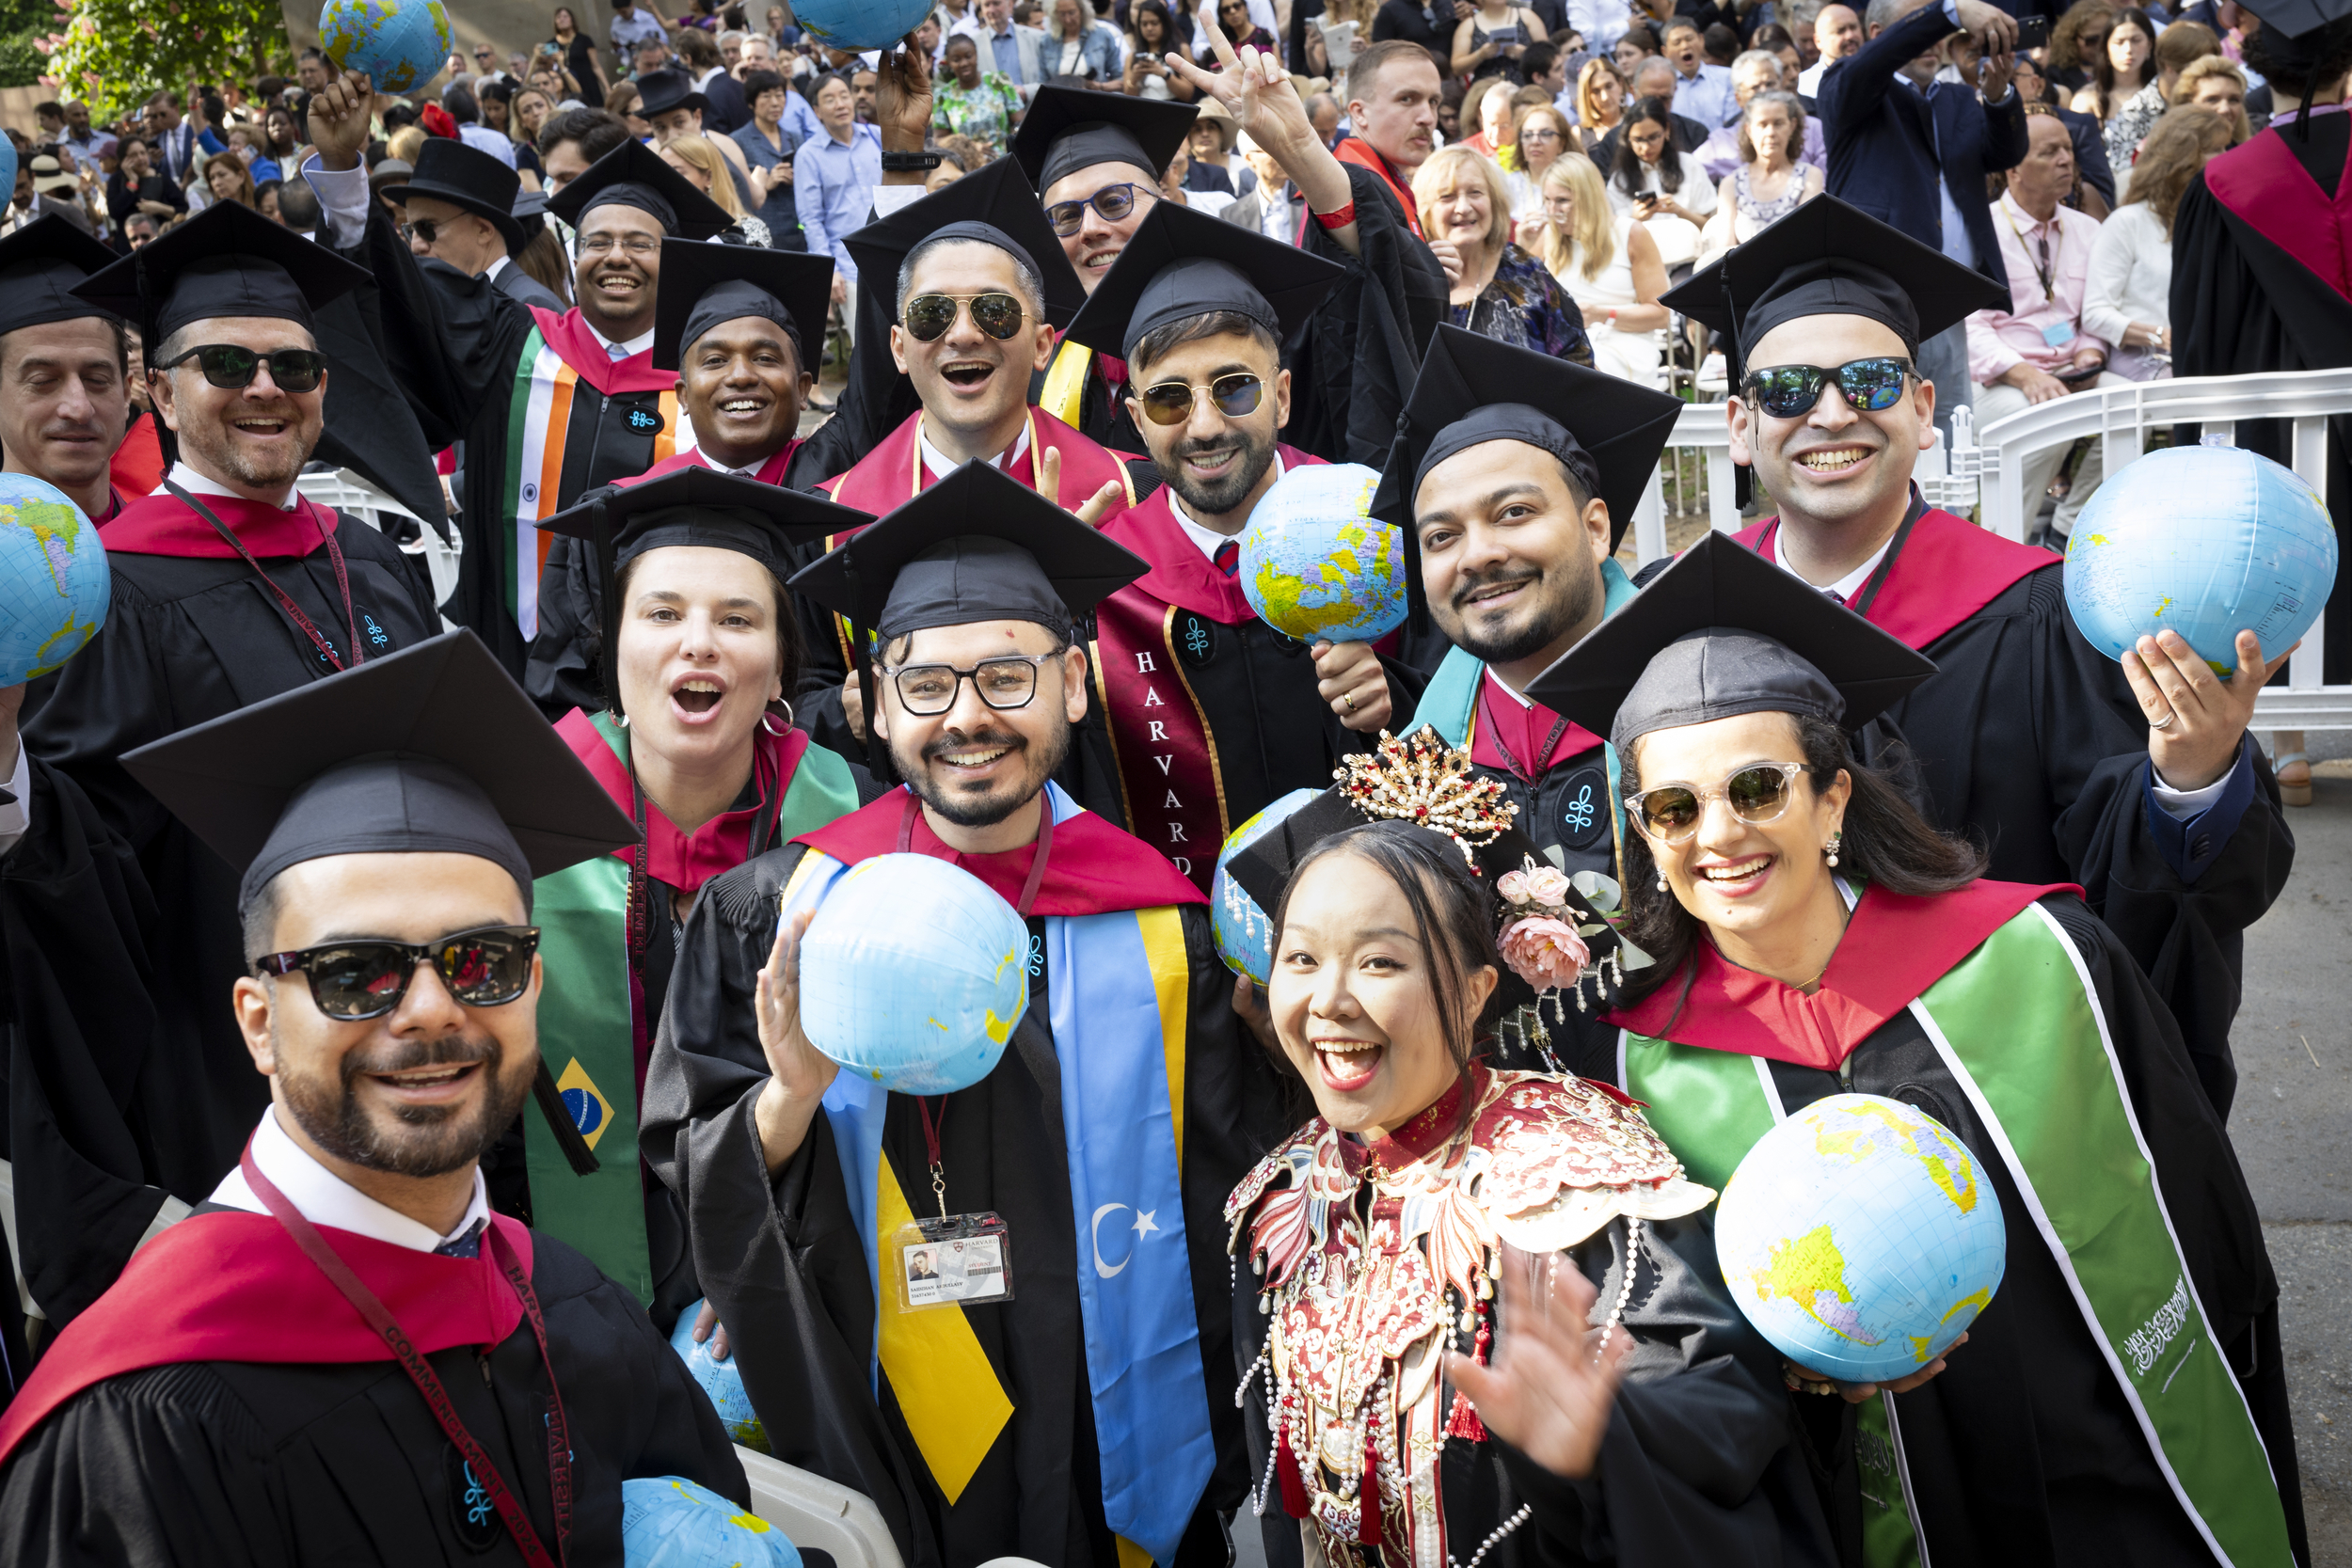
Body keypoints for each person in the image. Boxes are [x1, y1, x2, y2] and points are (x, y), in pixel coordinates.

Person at [1529, 530, 2307, 1568]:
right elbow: (1678, 1345)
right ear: (1642, 832)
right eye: (1674, 807)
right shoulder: (1639, 1068)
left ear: (1832, 795)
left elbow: (2196, 1211)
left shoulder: (2038, 956)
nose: (1717, 833)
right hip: (1867, 1502)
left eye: (1757, 788)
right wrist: (1791, 1368)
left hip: (2110, 1473)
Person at [643, 465, 1294, 1568]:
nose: (968, 717)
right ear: (877, 702)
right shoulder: (776, 914)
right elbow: (687, 1156)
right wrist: (788, 1097)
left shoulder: (1165, 927)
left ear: (1076, 686)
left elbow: (1228, 1194)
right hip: (881, 1403)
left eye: (1007, 675)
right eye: (928, 684)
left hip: (1107, 1411)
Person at [0, 630, 751, 1560]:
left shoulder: (570, 1305)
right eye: (355, 970)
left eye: (483, 959)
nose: (432, 1011)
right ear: (258, 1022)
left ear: (536, 983)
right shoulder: (143, 1416)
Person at [1668, 195, 2296, 1117]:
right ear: (1738, 425)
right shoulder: (1688, 617)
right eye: (1790, 390)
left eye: (1874, 382)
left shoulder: (2042, 612)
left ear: (1924, 410)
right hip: (1746, 1087)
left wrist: (2190, 773)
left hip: (1991, 1089)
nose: (1832, 412)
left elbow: (2141, 896)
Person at [17, 205, 446, 1321]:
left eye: (294, 365)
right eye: (224, 363)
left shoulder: (368, 558)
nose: (266, 387)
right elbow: (82, 857)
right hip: (232, 1057)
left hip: (417, 1021)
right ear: (159, 391)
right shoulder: (111, 593)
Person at [1219, 799, 1836, 1564]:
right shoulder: (1279, 1200)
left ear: (1477, 991)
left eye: (1379, 961)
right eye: (1302, 959)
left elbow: (1719, 1415)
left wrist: (1605, 1439)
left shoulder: (1574, 1174)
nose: (1330, 1001)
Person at [516, 469, 868, 1318]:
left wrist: (760, 1253)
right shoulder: (528, 819)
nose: (698, 643)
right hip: (561, 1275)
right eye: (663, 613)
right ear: (613, 648)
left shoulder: (849, 826)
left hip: (796, 1245)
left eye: (738, 618)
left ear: (783, 663)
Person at [304, 74, 737, 685]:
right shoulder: (510, 340)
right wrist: (345, 171)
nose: (617, 256)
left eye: (641, 242)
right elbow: (401, 301)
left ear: (672, 257)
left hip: (648, 675)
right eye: (599, 241)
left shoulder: (697, 386)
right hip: (504, 651)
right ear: (574, 253)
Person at [1055, 201, 1418, 879]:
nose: (1204, 426)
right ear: (1135, 421)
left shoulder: (1373, 530)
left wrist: (1395, 701)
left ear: (1282, 396)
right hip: (1187, 951)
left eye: (1235, 389)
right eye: (1169, 400)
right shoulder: (1104, 578)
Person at [1365, 325, 1677, 1069]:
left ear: (1596, 527)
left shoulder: (1701, 707)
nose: (1478, 554)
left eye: (1513, 513)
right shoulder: (1420, 764)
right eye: (1441, 537)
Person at [2171, 6, 2352, 814]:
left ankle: (2289, 755)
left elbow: (2202, 342)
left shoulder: (2224, 184)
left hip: (2275, 437)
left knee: (2287, 557)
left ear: (2259, 74)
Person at [1815, 0, 2023, 439]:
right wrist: (1947, 12)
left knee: (1948, 422)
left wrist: (2000, 95)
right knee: (1882, 424)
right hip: (1879, 294)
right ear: (1878, 33)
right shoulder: (1848, 85)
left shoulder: (1957, 97)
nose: (1935, 42)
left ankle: (1947, 508)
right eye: (1921, 29)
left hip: (1948, 296)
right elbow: (1872, 65)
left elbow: (2004, 155)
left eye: (1940, 33)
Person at [1009, 87, 1201, 450]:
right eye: (1066, 217)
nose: (1091, 228)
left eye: (1114, 202)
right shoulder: (1036, 360)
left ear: (1164, 203)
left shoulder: (1233, 335)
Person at [1967, 104, 2126, 540]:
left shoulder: (2087, 229)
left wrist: (2092, 354)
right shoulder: (1981, 231)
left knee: (2135, 408)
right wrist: (2024, 375)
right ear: (2013, 168)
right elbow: (1971, 327)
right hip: (1999, 381)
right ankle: (2005, 541)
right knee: (2049, 416)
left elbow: (2097, 308)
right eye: (2049, 151)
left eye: (2068, 150)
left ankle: (2068, 526)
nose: (2065, 160)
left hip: (2074, 371)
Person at [0, 218, 134, 526]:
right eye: (43, 381)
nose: (79, 408)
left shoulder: (172, 552)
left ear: (127, 392)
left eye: (97, 381)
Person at [2085, 106, 2228, 380]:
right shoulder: (2128, 222)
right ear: (2183, 159)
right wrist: (2163, 336)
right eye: (2215, 149)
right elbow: (2094, 314)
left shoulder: (2216, 223)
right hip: (2144, 358)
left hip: (2204, 355)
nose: (2226, 158)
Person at [1415, 145, 1593, 360]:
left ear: (1494, 201)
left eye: (1475, 192)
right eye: (1447, 196)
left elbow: (1577, 354)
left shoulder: (1525, 270)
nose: (1463, 207)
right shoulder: (1412, 278)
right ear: (1425, 211)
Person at [1530, 153, 1669, 382]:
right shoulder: (1549, 237)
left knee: (1573, 368)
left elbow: (1660, 315)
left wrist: (1601, 315)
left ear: (1588, 198)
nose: (1553, 210)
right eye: (1547, 200)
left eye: (1563, 200)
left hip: (1623, 341)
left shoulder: (1630, 233)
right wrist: (1524, 246)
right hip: (1565, 341)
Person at [388, 137, 564, 312]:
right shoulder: (466, 299)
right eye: (410, 231)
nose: (415, 246)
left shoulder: (529, 305)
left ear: (483, 230)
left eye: (426, 228)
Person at [1696, 87, 1824, 264]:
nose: (1770, 132)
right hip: (1745, 278)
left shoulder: (1810, 177)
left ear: (1793, 126)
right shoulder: (1731, 184)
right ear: (1748, 130)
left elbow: (1806, 238)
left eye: (1778, 123)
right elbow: (1723, 252)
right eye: (1762, 124)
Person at [1336, 38, 1447, 238]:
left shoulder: (1370, 180)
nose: (1428, 118)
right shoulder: (1352, 189)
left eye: (1433, 102)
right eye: (1407, 99)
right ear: (1359, 112)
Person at [798, 73, 884, 323]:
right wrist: (830, 270)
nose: (840, 104)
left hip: (887, 253)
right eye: (830, 99)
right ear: (817, 111)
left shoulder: (876, 136)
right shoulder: (808, 156)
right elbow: (811, 220)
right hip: (848, 267)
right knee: (867, 345)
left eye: (844, 95)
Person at [1607, 95, 1717, 267]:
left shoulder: (1689, 165)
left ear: (1666, 131)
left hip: (1688, 263)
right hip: (1640, 266)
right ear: (1628, 138)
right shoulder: (1619, 181)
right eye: (1638, 140)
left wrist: (1679, 211)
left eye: (1653, 137)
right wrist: (1635, 219)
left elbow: (1711, 228)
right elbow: (1612, 238)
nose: (1646, 147)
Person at [2071, 5, 2161, 167]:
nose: (2128, 50)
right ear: (2106, 48)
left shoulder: (2164, 92)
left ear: (2149, 45)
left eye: (2136, 40)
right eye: (2119, 42)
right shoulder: (2086, 99)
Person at [934, 34, 1024, 153]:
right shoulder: (944, 95)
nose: (964, 63)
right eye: (956, 60)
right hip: (968, 163)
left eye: (968, 56)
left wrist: (1010, 144)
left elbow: (1020, 122)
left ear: (976, 55)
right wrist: (971, 147)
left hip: (1006, 157)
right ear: (949, 63)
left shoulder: (998, 82)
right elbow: (939, 139)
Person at [1222, 127, 1304, 236]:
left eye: (1285, 149)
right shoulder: (1232, 215)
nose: (1284, 156)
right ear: (1250, 159)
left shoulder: (1309, 203)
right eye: (1273, 150)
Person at [1498, 100, 1571, 218]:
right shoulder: (1508, 186)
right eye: (1528, 135)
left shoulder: (1577, 183)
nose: (1535, 141)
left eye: (1545, 134)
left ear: (1562, 144)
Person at [1454, 0, 1549, 86]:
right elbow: (1456, 67)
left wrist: (1526, 54)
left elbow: (1548, 53)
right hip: (1486, 89)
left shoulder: (1526, 15)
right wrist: (1480, 55)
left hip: (1526, 86)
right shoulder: (1468, 25)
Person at [1662, 19, 1738, 126]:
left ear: (1701, 40)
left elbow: (1733, 126)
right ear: (1665, 51)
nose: (1685, 46)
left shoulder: (1728, 77)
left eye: (1689, 39)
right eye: (1677, 42)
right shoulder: (1662, 86)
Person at [1125, 0, 1200, 101]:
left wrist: (1164, 74)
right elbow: (1128, 99)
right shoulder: (1132, 56)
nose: (1149, 28)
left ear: (1164, 23)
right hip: (1143, 111)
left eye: (1154, 23)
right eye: (1144, 24)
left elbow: (1188, 94)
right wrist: (1134, 78)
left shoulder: (1182, 50)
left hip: (1174, 110)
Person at [2174, 51, 2253, 142]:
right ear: (2186, 104)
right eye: (2212, 100)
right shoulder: (2168, 154)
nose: (2225, 109)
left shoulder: (2254, 151)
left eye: (2233, 100)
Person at [1044, 0, 1125, 79]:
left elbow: (1118, 78)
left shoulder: (1102, 36)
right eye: (1062, 14)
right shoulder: (1047, 41)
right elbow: (1042, 80)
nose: (1067, 20)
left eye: (1071, 13)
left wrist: (1099, 86)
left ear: (1082, 10)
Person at [1796, 1, 1861, 96]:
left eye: (1853, 27)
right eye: (1840, 31)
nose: (1849, 36)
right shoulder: (1804, 85)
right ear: (1818, 40)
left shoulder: (1880, 69)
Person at [552, 4, 612, 106]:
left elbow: (596, 66)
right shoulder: (552, 44)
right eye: (558, 17)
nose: (562, 19)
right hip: (568, 86)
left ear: (572, 19)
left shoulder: (584, 40)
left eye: (565, 16)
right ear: (555, 22)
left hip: (588, 83)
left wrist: (607, 87)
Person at [1572, 55, 1628, 153]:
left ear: (1620, 84)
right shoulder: (1578, 135)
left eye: (1609, 86)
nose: (1604, 97)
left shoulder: (1637, 121)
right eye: (1596, 91)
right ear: (1587, 96)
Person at [611, 0, 669, 74]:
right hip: (627, 64)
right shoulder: (616, 22)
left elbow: (664, 40)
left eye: (624, 11)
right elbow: (617, 49)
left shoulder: (647, 18)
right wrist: (616, 48)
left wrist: (646, 45)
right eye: (619, 12)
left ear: (631, 5)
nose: (622, 14)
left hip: (648, 65)